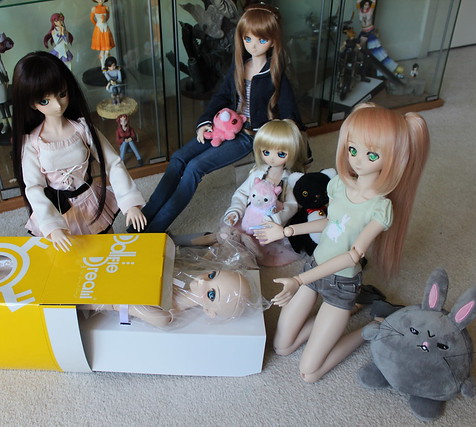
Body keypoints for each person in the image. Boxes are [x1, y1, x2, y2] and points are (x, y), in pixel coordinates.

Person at [254, 103, 430, 382]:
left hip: (342, 284)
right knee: (282, 346)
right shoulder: (338, 185)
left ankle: (371, 327)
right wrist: (286, 231)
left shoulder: (380, 208)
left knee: (309, 373)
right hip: (316, 266)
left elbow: (352, 255)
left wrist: (299, 280)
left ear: (395, 158)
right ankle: (357, 306)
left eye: (372, 155)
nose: (358, 160)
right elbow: (330, 223)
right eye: (352, 149)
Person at [134, 3, 303, 233]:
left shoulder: (275, 74)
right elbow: (221, 96)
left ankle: (154, 229)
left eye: (261, 40)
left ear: (273, 41)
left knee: (195, 168)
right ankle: (144, 218)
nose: (253, 45)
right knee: (179, 158)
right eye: (248, 39)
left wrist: (280, 140)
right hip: (224, 126)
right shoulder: (240, 66)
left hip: (249, 136)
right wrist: (204, 123)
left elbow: (290, 115)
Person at [11, 51, 147, 252]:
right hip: (58, 210)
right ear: (32, 103)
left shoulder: (83, 129)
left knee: (106, 249)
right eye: (45, 101)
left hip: (89, 200)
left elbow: (112, 163)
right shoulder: (32, 143)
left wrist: (129, 202)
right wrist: (52, 226)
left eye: (62, 94)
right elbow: (34, 187)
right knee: (71, 257)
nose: (58, 105)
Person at [221, 119, 305, 266]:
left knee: (254, 251)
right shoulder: (258, 173)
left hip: (268, 227)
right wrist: (236, 210)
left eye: (281, 153)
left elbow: (291, 206)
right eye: (266, 152)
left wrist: (276, 218)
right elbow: (242, 194)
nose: (272, 158)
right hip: (248, 218)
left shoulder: (289, 180)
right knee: (229, 235)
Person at [85, 269, 252, 328]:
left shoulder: (164, 315)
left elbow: (121, 304)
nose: (202, 280)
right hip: (104, 273)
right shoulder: (176, 277)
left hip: (94, 295)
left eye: (211, 294)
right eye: (212, 275)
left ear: (209, 311)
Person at [90, 0, 115, 68]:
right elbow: (92, 18)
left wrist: (104, 21)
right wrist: (97, 25)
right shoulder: (94, 8)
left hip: (105, 28)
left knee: (107, 50)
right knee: (102, 50)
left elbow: (108, 17)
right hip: (99, 29)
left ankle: (107, 65)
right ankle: (103, 66)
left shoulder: (106, 7)